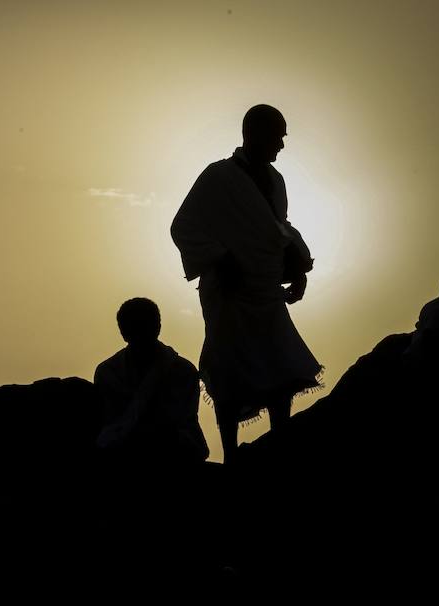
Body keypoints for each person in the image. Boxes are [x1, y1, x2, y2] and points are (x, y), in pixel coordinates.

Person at [170, 104, 321, 464]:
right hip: (228, 294)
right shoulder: (218, 177)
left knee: (281, 365)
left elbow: (277, 227)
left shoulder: (276, 181)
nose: (282, 144)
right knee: (228, 369)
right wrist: (221, 259)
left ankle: (280, 444)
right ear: (251, 133)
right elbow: (183, 227)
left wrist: (297, 267)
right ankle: (231, 455)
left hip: (266, 289)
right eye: (277, 135)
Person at [94, 298, 209, 464]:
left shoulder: (183, 371)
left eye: (144, 326)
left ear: (158, 327)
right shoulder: (108, 373)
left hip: (172, 450)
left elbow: (182, 421)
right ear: (123, 332)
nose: (141, 333)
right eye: (135, 327)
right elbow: (110, 423)